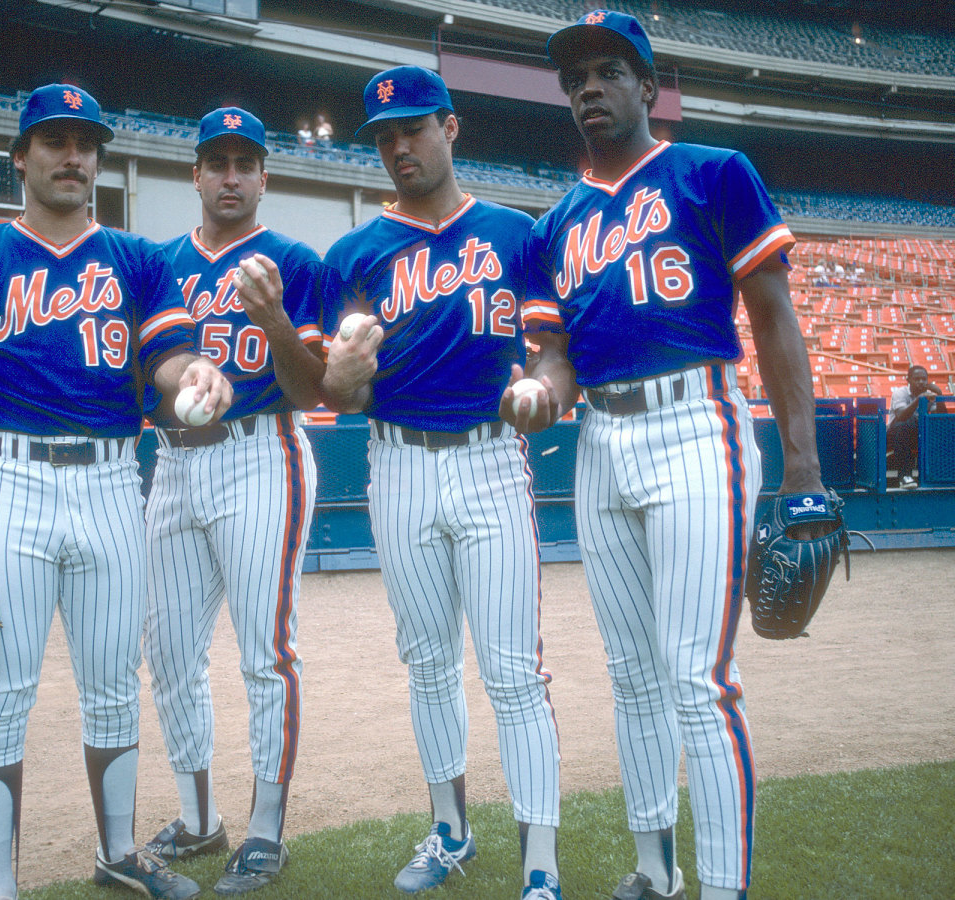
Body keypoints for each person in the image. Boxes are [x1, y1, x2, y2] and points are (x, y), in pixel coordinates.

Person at [0, 83, 232, 900]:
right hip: (9, 479)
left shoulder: (138, 260)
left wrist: (190, 372)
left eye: (85, 143)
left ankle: (118, 853)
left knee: (115, 689)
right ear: (21, 156)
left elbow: (162, 361)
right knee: (1, 695)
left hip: (115, 480)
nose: (72, 156)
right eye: (54, 141)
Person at [525, 11, 824, 900]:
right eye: (576, 78)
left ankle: (724, 887)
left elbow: (773, 315)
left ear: (650, 86)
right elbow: (556, 354)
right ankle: (655, 871)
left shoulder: (714, 173)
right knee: (633, 676)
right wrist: (541, 386)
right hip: (600, 443)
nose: (589, 89)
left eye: (609, 72)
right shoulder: (556, 226)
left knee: (699, 676)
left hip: (698, 423)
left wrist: (803, 469)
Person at [320, 66, 565, 900]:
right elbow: (340, 395)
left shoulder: (514, 232)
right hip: (395, 462)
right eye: (384, 135)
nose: (398, 146)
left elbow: (549, 350)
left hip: (491, 458)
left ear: (450, 128)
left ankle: (541, 863)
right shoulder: (354, 252)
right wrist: (343, 372)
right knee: (426, 662)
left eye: (413, 128)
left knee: (513, 672)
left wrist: (539, 383)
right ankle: (451, 830)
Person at [140, 106, 326, 895]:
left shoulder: (292, 259)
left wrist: (276, 320)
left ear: (263, 176)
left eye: (243, 162)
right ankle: (199, 817)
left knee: (264, 652)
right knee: (170, 651)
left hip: (262, 455)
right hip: (173, 467)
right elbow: (140, 380)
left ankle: (265, 829)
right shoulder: (156, 264)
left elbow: (314, 386)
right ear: (196, 174)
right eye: (215, 162)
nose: (229, 176)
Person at [888, 364, 947, 488]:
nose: (921, 382)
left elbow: (941, 419)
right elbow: (901, 416)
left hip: (918, 434)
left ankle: (939, 474)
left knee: (939, 429)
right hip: (894, 435)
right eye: (917, 379)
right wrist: (918, 400)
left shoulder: (930, 395)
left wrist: (940, 396)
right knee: (906, 423)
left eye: (924, 379)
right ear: (908, 380)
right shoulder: (900, 392)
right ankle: (905, 476)